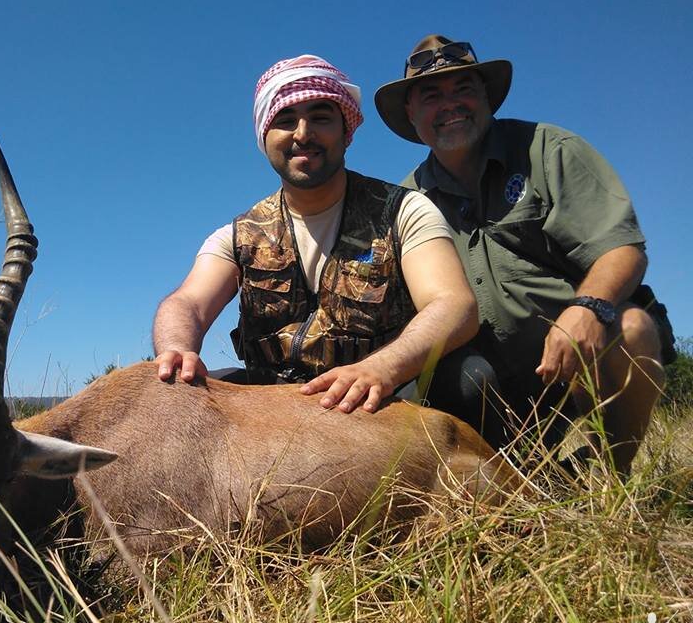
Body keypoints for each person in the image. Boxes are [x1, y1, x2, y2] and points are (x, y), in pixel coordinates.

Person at [374, 34, 672, 474]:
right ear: (411, 115)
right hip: (479, 384)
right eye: (432, 96)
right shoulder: (405, 200)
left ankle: (609, 477)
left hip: (569, 362)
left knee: (631, 327)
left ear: (487, 98)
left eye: (464, 90)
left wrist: (588, 307)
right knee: (445, 380)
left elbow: (622, 249)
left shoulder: (549, 150)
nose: (450, 105)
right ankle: (502, 479)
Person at [153, 54, 482, 417]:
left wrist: (382, 368)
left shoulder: (404, 210)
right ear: (266, 135)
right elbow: (188, 304)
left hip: (380, 400)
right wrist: (177, 348)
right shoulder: (236, 236)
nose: (303, 133)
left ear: (347, 132)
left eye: (321, 118)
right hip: (273, 403)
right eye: (285, 120)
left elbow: (453, 305)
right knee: (174, 395)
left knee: (471, 379)